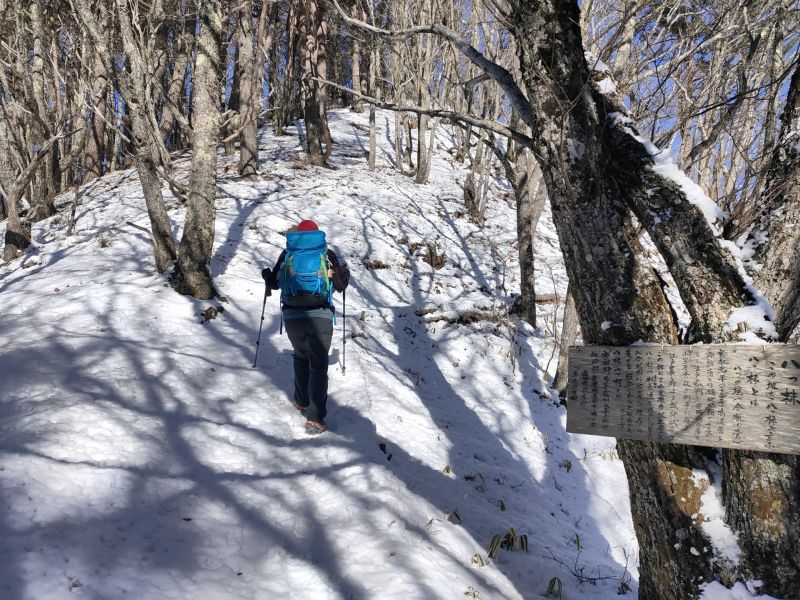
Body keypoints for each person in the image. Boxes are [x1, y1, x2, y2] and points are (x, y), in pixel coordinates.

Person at [262, 219, 350, 434]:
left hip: (292, 316)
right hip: (320, 314)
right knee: (318, 366)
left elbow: (274, 282)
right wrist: (343, 273)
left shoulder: (287, 255)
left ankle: (301, 401)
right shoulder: (326, 254)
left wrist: (266, 275)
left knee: (301, 356)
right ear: (317, 234)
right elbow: (340, 285)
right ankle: (315, 418)